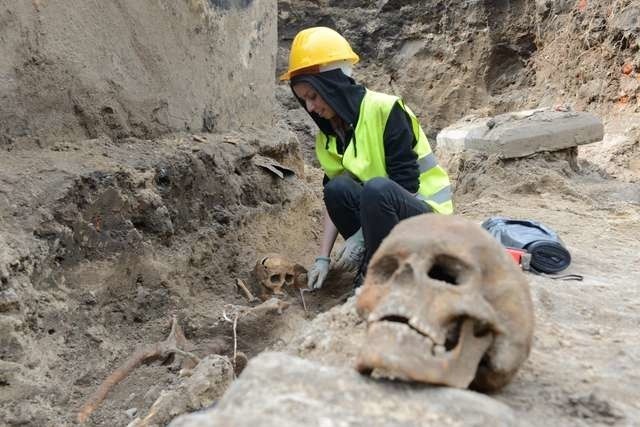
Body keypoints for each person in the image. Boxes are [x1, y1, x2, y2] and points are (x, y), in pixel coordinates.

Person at [280, 27, 454, 290]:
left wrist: (359, 237)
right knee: (337, 189)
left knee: (377, 189)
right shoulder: (329, 134)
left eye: (313, 96)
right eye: (304, 100)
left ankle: (374, 280)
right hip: (386, 218)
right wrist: (322, 258)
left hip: (428, 221)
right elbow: (333, 196)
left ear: (333, 85)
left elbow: (404, 186)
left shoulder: (386, 110)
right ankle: (375, 263)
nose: (310, 107)